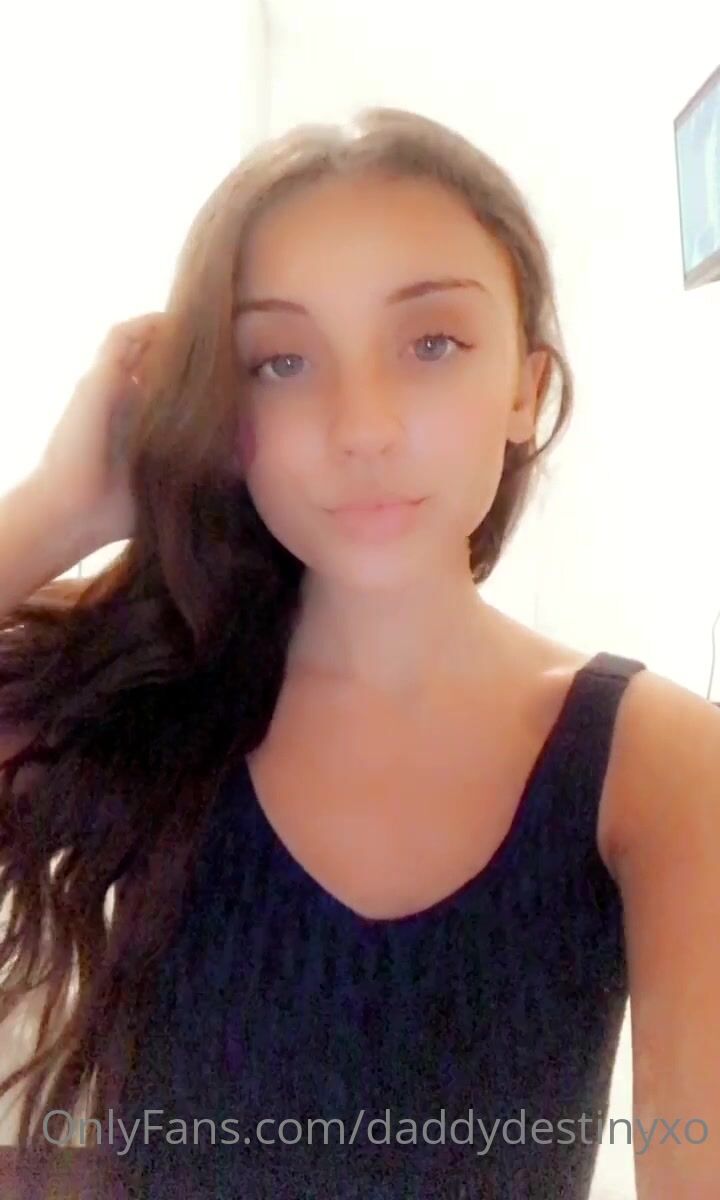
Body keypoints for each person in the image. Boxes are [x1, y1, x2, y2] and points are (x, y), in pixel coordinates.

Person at [0, 106, 718, 1200]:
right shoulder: (153, 688)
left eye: (431, 344)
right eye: (281, 361)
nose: (362, 426)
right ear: (221, 411)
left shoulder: (655, 762)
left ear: (525, 389)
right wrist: (61, 507)